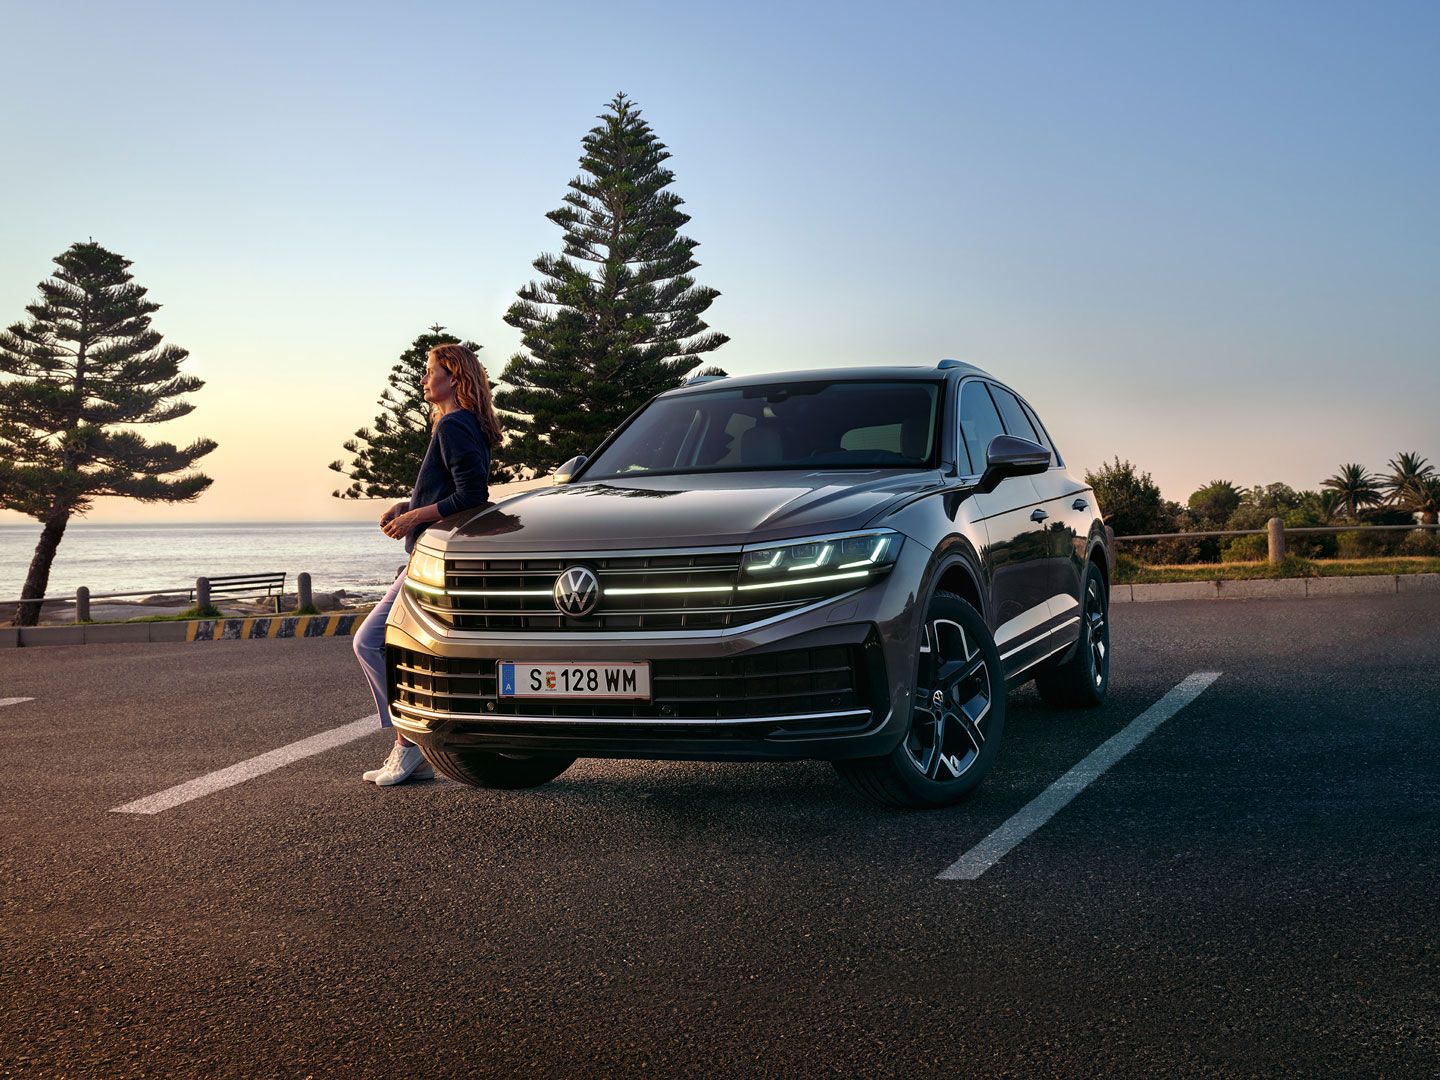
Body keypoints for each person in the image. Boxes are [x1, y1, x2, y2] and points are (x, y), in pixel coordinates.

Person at [353, 342, 501, 786]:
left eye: (429, 371)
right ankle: (412, 744)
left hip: (429, 559)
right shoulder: (463, 424)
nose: (422, 379)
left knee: (370, 641)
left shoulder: (455, 424)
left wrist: (415, 517)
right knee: (388, 644)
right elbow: (453, 490)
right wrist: (408, 503)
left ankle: (409, 744)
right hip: (432, 556)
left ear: (452, 377)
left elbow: (473, 496)